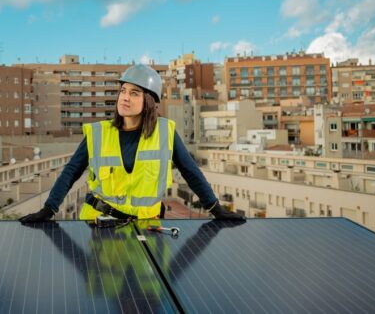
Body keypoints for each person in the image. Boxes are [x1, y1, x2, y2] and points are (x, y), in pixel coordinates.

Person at [20, 64, 244, 223]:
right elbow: (70, 172)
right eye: (123, 91)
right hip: (99, 226)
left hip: (147, 228)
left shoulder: (165, 132)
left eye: (134, 93)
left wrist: (216, 209)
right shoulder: (98, 133)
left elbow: (191, 172)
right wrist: (49, 209)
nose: (125, 98)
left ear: (149, 102)